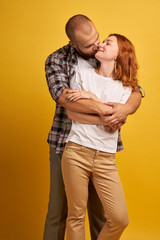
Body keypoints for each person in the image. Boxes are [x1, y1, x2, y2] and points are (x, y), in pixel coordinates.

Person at [43, 14, 143, 240]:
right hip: (66, 143)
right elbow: (64, 97)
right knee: (60, 211)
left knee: (101, 212)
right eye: (89, 45)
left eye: (99, 38)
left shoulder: (102, 54)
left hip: (103, 151)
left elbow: (136, 92)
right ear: (73, 44)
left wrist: (124, 110)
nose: (97, 45)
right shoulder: (57, 60)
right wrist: (106, 112)